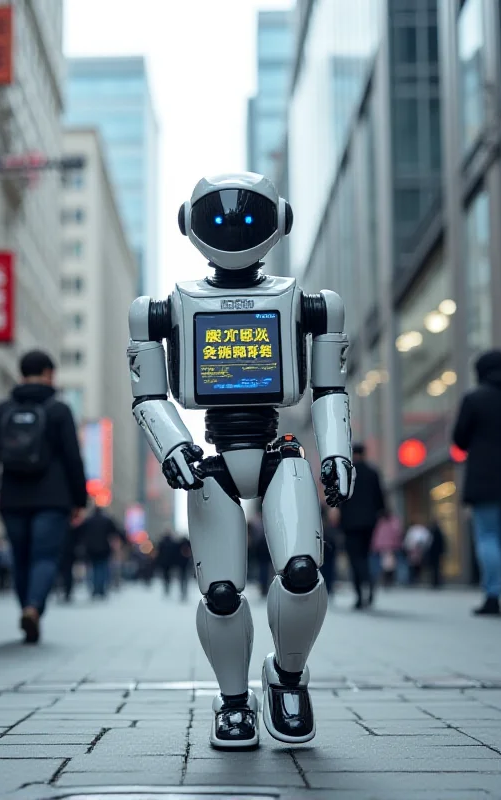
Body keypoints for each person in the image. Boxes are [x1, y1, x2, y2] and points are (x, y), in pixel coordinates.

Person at [127, 172, 355, 749]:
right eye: (220, 215)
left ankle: (288, 675)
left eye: (246, 216)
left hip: (280, 453)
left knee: (301, 572)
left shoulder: (312, 305)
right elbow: (149, 395)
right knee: (221, 593)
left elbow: (329, 390)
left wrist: (336, 452)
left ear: (277, 220)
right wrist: (173, 444)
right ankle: (233, 701)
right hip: (216, 461)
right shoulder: (159, 309)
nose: (232, 223)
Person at [0, 350, 87, 643]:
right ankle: (33, 608)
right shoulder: (59, 409)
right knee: (44, 556)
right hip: (53, 497)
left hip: (12, 496)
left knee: (20, 556)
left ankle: (26, 608)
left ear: (21, 373)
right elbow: (72, 458)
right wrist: (80, 500)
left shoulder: (3, 408)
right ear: (49, 373)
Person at [453, 349, 501, 616]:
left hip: (485, 478)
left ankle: (492, 595)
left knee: (488, 537)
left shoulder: (475, 399)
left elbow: (460, 439)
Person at [339, 443, 385, 609]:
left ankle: (360, 595)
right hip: (369, 522)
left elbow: (340, 498)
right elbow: (380, 498)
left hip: (350, 523)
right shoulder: (373, 472)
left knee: (355, 558)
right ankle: (370, 581)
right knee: (365, 554)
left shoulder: (346, 473)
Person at [79, 503, 125, 598]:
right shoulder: (107, 520)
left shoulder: (88, 521)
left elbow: (80, 532)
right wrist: (124, 540)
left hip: (91, 549)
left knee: (93, 568)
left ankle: (95, 588)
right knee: (103, 568)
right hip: (104, 548)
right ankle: (101, 589)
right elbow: (117, 531)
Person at [371, 507, 403, 587]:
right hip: (389, 546)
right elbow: (397, 532)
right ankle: (388, 580)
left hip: (386, 546)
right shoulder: (391, 521)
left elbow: (377, 535)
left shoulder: (382, 522)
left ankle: (387, 580)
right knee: (388, 564)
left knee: (387, 564)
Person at [247, 510, 271, 597]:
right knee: (265, 568)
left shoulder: (253, 522)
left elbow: (251, 536)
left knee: (262, 568)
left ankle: (263, 586)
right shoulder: (265, 522)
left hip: (259, 548)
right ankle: (264, 586)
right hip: (265, 548)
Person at [425, 520, 446, 589]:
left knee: (435, 569)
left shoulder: (432, 532)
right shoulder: (437, 532)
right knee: (436, 569)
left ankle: (435, 582)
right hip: (436, 554)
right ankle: (435, 582)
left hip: (434, 554)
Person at [177, 536, 193, 601]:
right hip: (186, 565)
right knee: (185, 580)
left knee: (182, 579)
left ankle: (183, 592)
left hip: (181, 565)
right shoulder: (189, 544)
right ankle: (185, 592)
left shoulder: (179, 545)